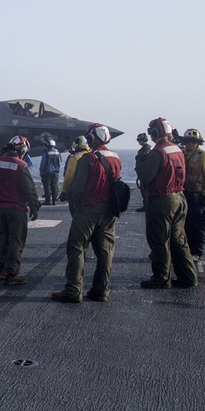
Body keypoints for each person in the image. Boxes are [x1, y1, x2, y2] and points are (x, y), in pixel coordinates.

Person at [52, 124, 121, 303]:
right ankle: (101, 290)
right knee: (105, 251)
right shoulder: (115, 157)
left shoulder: (88, 158)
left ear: (91, 139)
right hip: (108, 211)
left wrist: (77, 210)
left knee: (76, 247)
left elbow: (77, 188)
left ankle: (74, 290)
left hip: (89, 209)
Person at [135, 118, 196, 289]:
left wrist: (141, 163)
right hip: (180, 197)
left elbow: (146, 176)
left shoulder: (158, 152)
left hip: (162, 200)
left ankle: (161, 278)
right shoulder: (177, 149)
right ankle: (188, 276)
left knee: (159, 240)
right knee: (178, 239)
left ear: (155, 133)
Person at [0, 136, 41, 286]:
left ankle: (0, 269)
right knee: (16, 241)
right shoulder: (21, 165)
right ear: (23, 150)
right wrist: (34, 207)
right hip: (16, 210)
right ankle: (12, 274)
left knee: (3, 238)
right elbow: (29, 189)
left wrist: (0, 155)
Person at [181, 129, 205, 260]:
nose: (190, 144)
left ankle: (197, 252)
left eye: (193, 142)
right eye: (188, 142)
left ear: (198, 143)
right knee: (186, 224)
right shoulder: (182, 154)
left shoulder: (204, 156)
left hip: (198, 194)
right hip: (185, 193)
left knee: (198, 225)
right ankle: (187, 250)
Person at [59, 135, 90, 213]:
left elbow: (69, 177)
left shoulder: (74, 158)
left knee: (77, 216)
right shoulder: (93, 156)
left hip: (76, 192)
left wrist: (64, 191)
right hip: (91, 191)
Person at [134, 132, 153, 212]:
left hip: (145, 173)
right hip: (143, 173)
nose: (139, 142)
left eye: (140, 140)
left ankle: (147, 206)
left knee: (145, 191)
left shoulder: (146, 149)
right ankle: (146, 205)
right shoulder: (147, 148)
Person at [39, 139, 61, 205]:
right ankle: (54, 200)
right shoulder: (57, 152)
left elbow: (43, 163)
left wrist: (41, 171)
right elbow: (59, 163)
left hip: (47, 172)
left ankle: (48, 201)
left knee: (47, 186)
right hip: (55, 172)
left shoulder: (46, 153)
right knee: (54, 186)